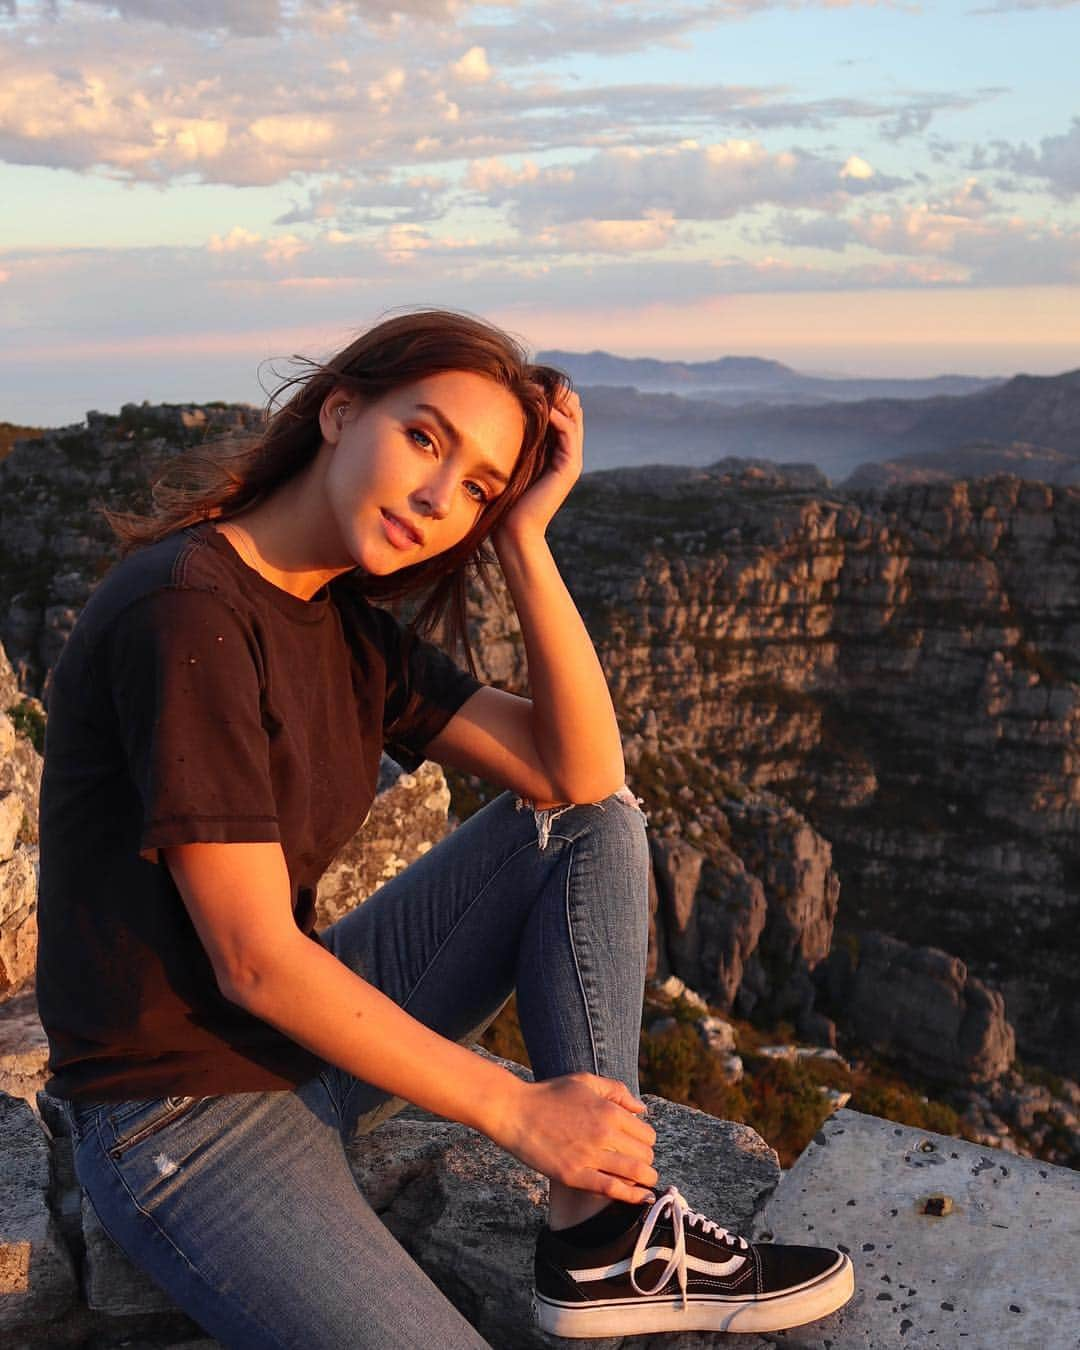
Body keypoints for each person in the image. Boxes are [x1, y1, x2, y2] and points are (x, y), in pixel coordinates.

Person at [35, 309, 854, 1346]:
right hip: (185, 1115)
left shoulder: (343, 628)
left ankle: (605, 1238)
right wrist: (517, 1113)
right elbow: (250, 960)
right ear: (339, 411)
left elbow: (583, 777)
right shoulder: (188, 611)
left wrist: (524, 540)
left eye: (475, 486)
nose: (437, 498)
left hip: (297, 1052)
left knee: (583, 827)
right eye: (425, 438)